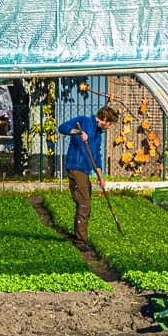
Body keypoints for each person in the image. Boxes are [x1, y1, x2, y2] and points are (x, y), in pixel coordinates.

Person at [57, 104, 119, 249]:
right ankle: (80, 241)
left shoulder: (98, 134)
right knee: (84, 204)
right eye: (109, 124)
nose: (109, 127)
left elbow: (97, 156)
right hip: (75, 167)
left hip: (85, 170)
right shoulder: (83, 121)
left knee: (85, 203)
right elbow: (62, 128)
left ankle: (80, 237)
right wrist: (78, 132)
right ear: (103, 119)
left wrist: (100, 176)